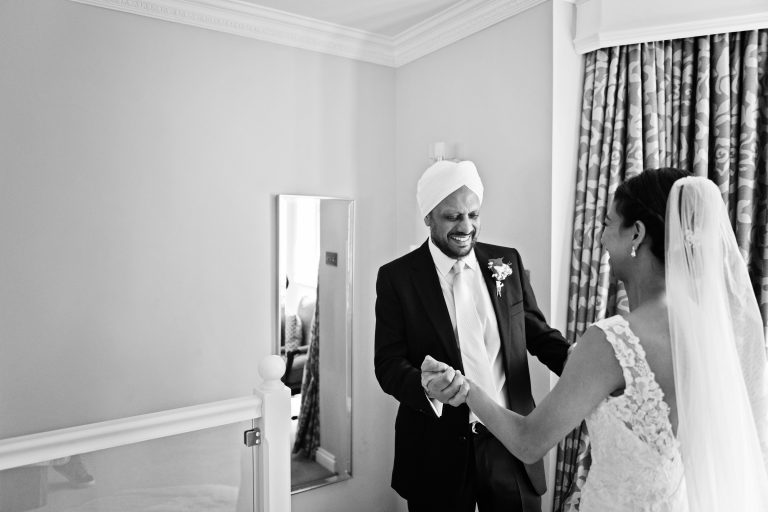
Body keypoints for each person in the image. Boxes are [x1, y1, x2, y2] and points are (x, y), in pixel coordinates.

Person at [424, 168, 768, 511]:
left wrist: (466, 389)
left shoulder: (613, 340)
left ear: (636, 233)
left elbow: (529, 442)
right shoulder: (712, 330)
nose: (601, 239)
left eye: (607, 223)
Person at [374, 159, 570, 512]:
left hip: (512, 442)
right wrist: (424, 385)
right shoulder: (397, 278)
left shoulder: (505, 262)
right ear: (428, 218)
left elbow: (537, 334)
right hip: (435, 451)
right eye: (453, 217)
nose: (466, 226)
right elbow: (387, 363)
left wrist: (581, 363)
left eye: (473, 215)